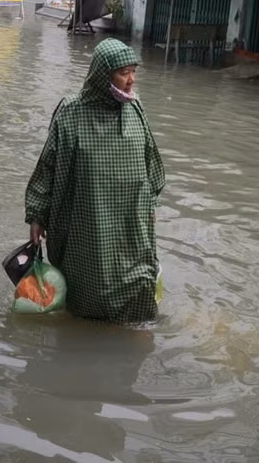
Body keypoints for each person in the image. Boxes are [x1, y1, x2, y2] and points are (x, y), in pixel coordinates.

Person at [25, 39, 166, 324]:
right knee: (87, 292)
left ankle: (132, 342)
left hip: (131, 221)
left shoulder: (135, 110)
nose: (131, 80)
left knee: (138, 290)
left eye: (133, 71)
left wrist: (151, 202)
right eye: (123, 73)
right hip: (85, 221)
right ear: (103, 75)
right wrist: (37, 214)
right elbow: (48, 166)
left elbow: (151, 159)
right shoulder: (71, 112)